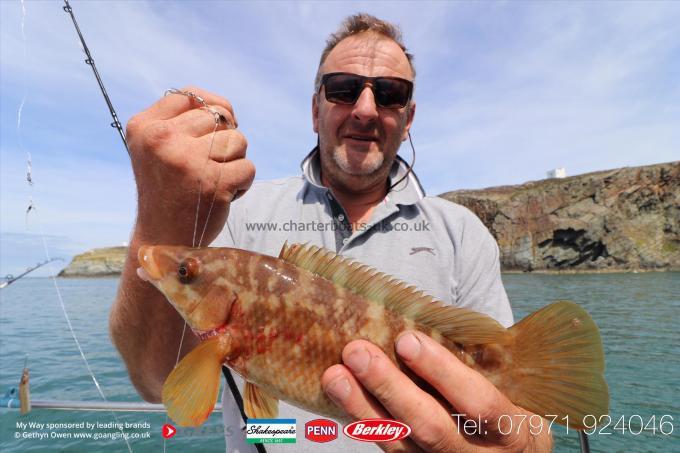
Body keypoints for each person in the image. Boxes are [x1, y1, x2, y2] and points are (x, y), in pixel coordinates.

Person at [110, 13, 552, 452]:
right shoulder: (236, 214)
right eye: (343, 89)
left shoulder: (462, 233)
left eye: (390, 94)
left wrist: (520, 446)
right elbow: (156, 380)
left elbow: (529, 424)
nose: (364, 108)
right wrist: (159, 218)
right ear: (315, 108)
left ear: (408, 116)